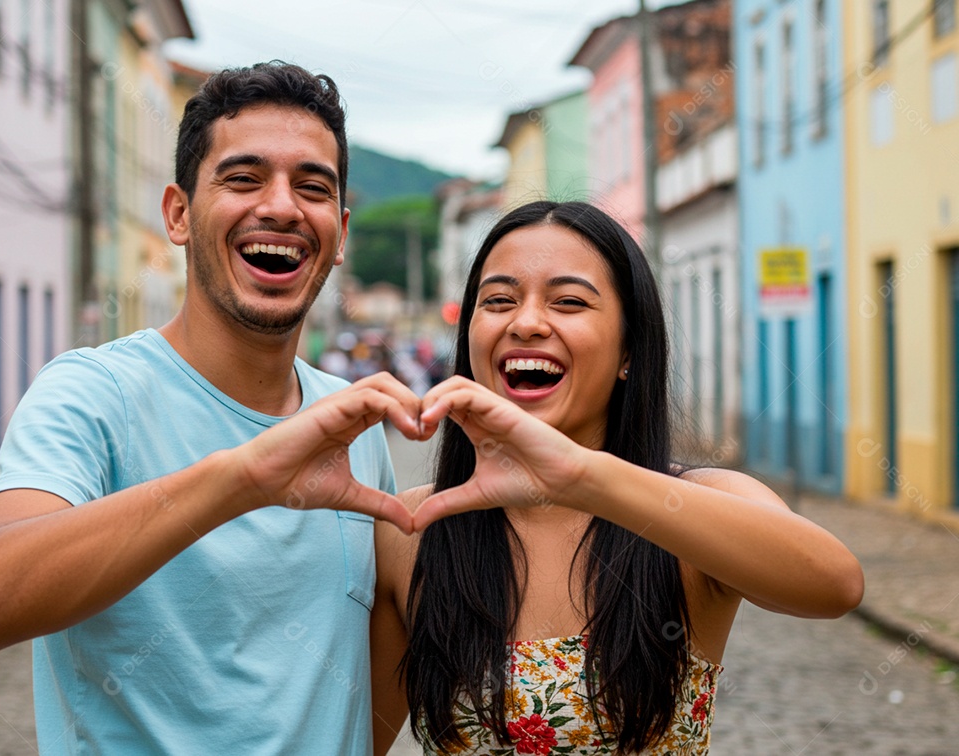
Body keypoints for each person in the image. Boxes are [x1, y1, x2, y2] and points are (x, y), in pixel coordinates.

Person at [0, 62, 431, 755]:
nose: (282, 207)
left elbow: (363, 697)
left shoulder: (353, 426)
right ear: (178, 214)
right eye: (244, 178)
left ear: (341, 232)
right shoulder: (93, 393)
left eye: (313, 187)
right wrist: (242, 478)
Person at [370, 201, 864, 755]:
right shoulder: (412, 530)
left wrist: (583, 476)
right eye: (499, 300)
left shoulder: (691, 507)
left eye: (569, 301)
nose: (526, 322)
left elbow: (835, 585)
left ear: (629, 349)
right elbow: (349, 738)